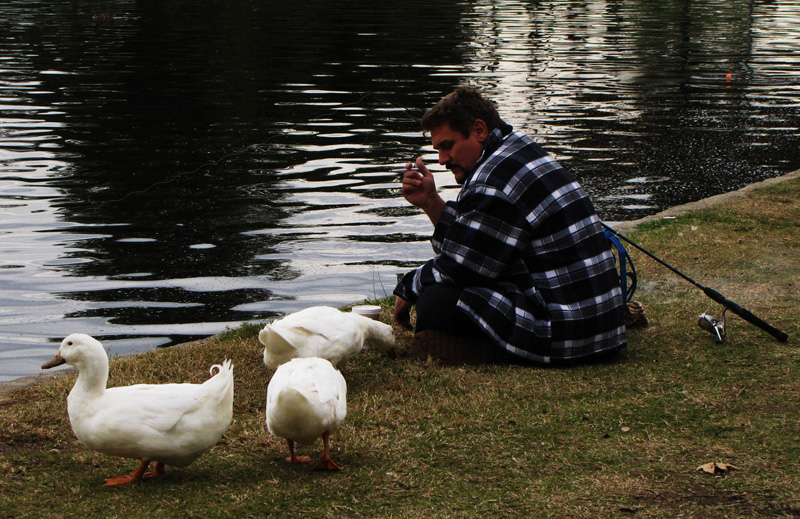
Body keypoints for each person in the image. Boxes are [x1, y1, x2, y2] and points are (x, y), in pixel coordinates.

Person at [393, 86, 627, 365]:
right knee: (444, 289)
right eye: (438, 150)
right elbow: (475, 241)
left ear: (479, 130)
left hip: (569, 335)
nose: (443, 160)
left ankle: (488, 351)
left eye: (448, 146)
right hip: (601, 322)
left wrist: (408, 288)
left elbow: (462, 266)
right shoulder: (517, 149)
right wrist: (431, 201)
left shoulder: (492, 179)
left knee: (434, 301)